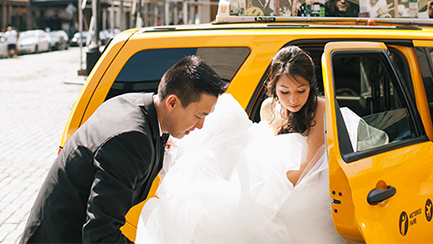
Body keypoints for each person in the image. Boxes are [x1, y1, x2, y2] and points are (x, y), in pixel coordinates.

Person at [136, 46, 343, 244]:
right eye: (284, 91)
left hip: (302, 191)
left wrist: (267, 187)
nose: (293, 99)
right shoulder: (268, 108)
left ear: (311, 86)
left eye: (301, 90)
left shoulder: (318, 108)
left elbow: (311, 167)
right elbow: (258, 146)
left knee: (241, 210)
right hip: (270, 184)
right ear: (274, 88)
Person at [19, 56, 227, 244]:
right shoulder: (132, 140)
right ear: (172, 102)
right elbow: (101, 235)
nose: (201, 126)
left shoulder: (135, 105)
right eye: (199, 115)